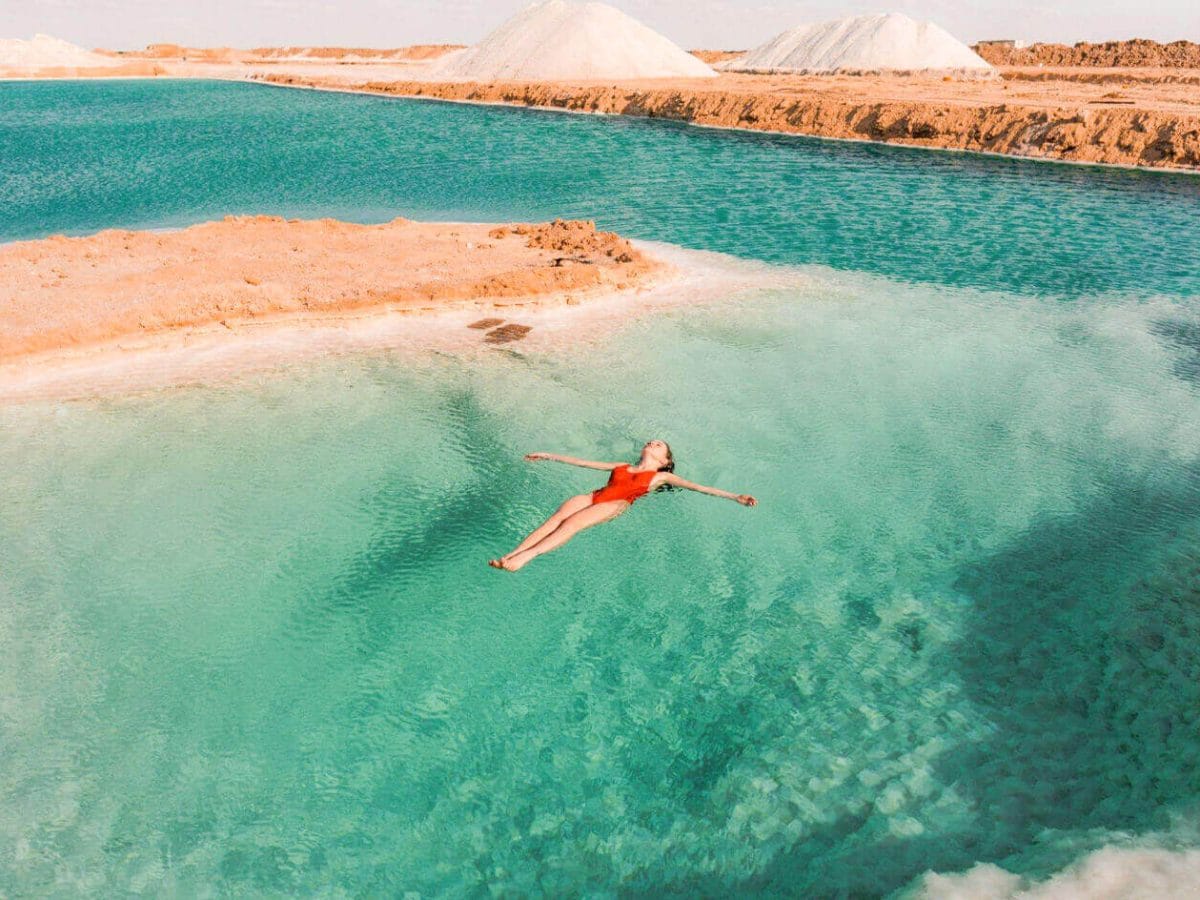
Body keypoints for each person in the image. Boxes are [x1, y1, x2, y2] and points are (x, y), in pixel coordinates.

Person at [489, 440, 757, 572]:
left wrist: (735, 496)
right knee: (553, 520)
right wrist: (548, 455)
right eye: (651, 441)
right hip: (596, 495)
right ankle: (511, 555)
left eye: (660, 445)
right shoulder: (622, 466)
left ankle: (526, 558)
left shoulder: (661, 476)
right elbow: (583, 462)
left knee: (571, 524)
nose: (653, 443)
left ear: (664, 460)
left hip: (616, 502)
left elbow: (700, 487)